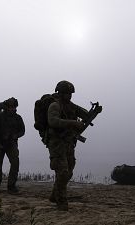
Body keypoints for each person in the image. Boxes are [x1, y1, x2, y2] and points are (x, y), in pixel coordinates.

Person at [46, 80, 86, 211]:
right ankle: (61, 202)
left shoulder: (71, 106)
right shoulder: (54, 106)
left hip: (69, 142)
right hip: (56, 143)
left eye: (71, 94)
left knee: (69, 171)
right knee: (62, 171)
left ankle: (54, 195)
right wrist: (73, 123)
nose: (69, 96)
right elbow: (53, 121)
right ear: (61, 93)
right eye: (67, 93)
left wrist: (92, 112)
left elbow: (84, 112)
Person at [0, 97, 25, 194]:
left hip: (11, 144)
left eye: (14, 106)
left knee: (15, 163)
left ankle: (11, 186)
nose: (12, 108)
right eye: (10, 107)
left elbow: (22, 131)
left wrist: (15, 136)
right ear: (6, 107)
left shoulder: (18, 118)